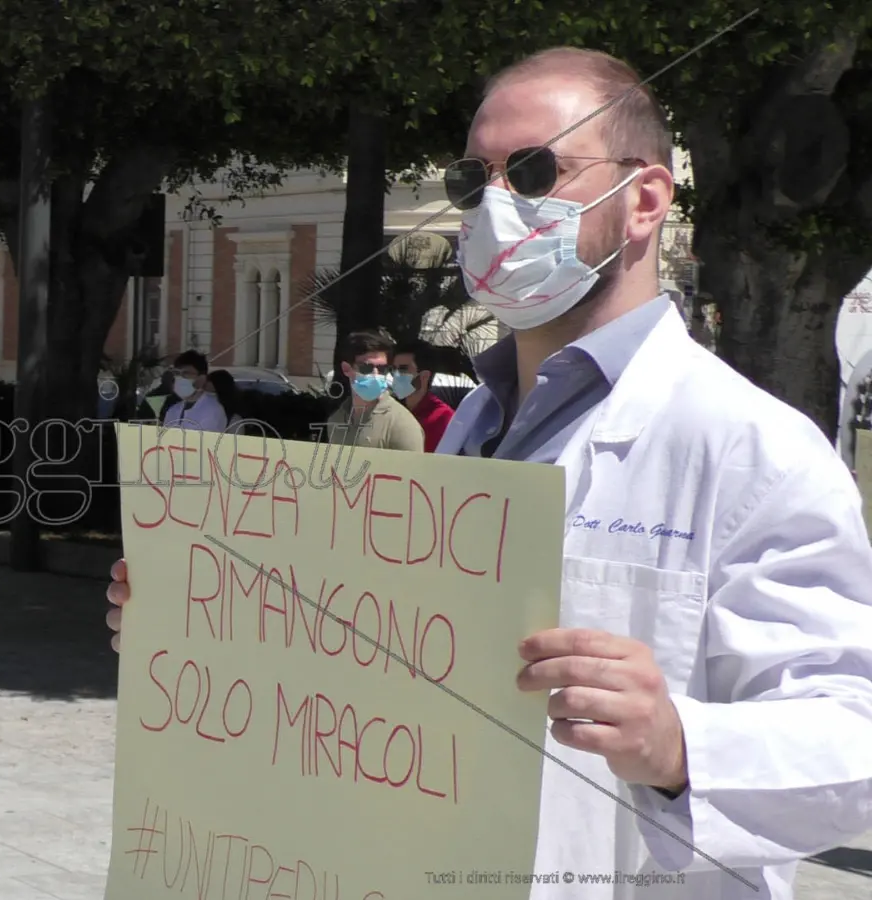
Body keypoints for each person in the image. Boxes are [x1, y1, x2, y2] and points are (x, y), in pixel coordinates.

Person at [107, 46, 872, 898]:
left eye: (538, 170)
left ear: (646, 200)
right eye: (475, 180)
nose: (498, 205)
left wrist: (677, 746)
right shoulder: (475, 426)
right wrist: (203, 623)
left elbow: (853, 744)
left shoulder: (755, 450)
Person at [324, 330, 425, 451]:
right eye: (366, 368)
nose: (375, 374)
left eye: (382, 369)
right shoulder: (336, 420)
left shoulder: (402, 425)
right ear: (346, 369)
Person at [389, 339, 455, 452]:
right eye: (394, 369)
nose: (396, 375)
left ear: (424, 376)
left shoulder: (443, 417)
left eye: (403, 369)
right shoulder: (392, 411)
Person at [160, 351, 227, 432]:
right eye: (177, 373)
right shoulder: (173, 410)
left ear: (201, 378)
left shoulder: (213, 409)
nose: (180, 378)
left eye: (186, 373)